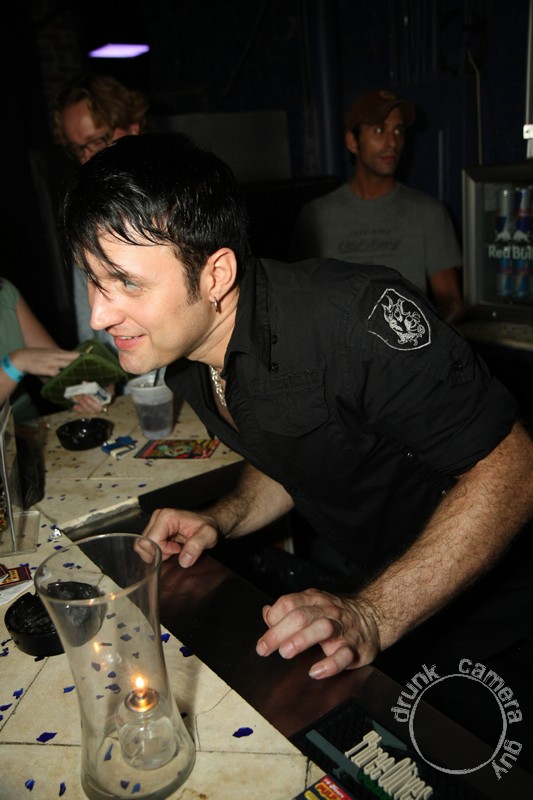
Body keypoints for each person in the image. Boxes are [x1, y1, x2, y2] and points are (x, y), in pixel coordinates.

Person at [60, 131, 533, 685]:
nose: (99, 315)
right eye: (93, 279)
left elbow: (514, 468)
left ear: (216, 276)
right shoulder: (187, 356)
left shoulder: (353, 321)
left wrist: (373, 614)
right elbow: (292, 444)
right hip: (394, 595)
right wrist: (223, 516)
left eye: (125, 283)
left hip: (503, 615)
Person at [290, 88, 464, 324]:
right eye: (380, 130)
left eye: (398, 131)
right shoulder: (315, 216)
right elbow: (300, 302)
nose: (393, 142)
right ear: (353, 142)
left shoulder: (429, 213)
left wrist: (415, 340)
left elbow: (452, 303)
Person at [51, 71, 150, 346]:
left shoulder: (171, 201)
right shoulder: (86, 213)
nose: (87, 159)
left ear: (132, 128)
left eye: (97, 141)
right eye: (78, 149)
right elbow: (89, 329)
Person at [0, 277, 79, 421]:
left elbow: (55, 370)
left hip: (26, 422)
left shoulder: (5, 291)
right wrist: (15, 364)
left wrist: (91, 389)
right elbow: (22, 360)